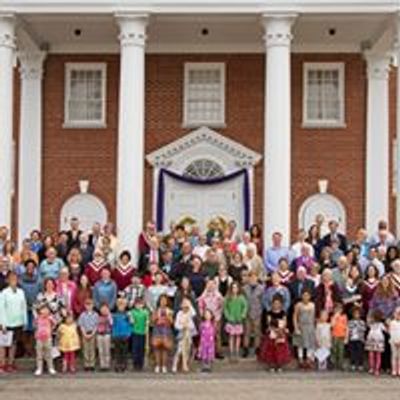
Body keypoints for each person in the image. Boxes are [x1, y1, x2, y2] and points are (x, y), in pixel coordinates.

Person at [0, 271, 28, 373]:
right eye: (11, 278)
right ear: (7, 280)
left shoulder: (21, 292)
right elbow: (1, 309)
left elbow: (23, 307)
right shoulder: (3, 293)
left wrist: (25, 321)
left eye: (15, 278)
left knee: (14, 344)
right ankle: (2, 364)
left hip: (18, 322)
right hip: (6, 323)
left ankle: (10, 364)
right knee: (3, 345)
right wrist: (2, 324)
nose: (14, 280)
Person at [258, 295, 291, 372]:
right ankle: (271, 365)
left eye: (278, 303)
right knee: (271, 350)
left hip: (281, 333)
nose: (276, 305)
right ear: (272, 304)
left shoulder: (283, 313)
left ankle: (279, 365)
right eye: (275, 303)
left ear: (281, 304)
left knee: (280, 350)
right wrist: (274, 329)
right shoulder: (269, 313)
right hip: (272, 332)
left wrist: (281, 329)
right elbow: (269, 322)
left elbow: (285, 322)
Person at [198, 280, 224, 359]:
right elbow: (200, 306)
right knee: (204, 335)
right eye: (209, 285)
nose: (210, 286)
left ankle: (218, 352)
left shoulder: (218, 295)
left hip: (216, 317)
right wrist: (202, 315)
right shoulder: (203, 295)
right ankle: (203, 352)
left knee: (217, 335)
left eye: (212, 284)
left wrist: (217, 316)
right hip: (206, 318)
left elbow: (221, 306)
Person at [223, 282, 248, 362]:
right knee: (231, 336)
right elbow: (225, 308)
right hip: (231, 320)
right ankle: (231, 352)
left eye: (236, 288)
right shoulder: (228, 297)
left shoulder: (241, 297)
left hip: (239, 320)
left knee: (238, 336)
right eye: (233, 287)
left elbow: (245, 307)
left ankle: (236, 352)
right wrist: (228, 317)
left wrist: (242, 316)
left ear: (238, 289)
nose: (234, 289)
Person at [172, 298, 197, 373]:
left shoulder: (190, 313)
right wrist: (182, 326)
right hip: (182, 333)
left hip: (188, 333)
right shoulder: (179, 313)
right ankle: (175, 365)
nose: (185, 307)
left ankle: (185, 365)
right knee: (179, 350)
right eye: (183, 305)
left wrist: (189, 304)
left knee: (187, 349)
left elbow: (193, 315)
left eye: (186, 306)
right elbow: (176, 325)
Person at [242, 270, 264, 357]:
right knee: (246, 332)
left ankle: (257, 349)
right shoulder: (244, 288)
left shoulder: (261, 288)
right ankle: (246, 349)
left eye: (254, 277)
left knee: (257, 332)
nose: (252, 279)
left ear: (257, 278)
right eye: (251, 277)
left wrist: (260, 311)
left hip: (257, 312)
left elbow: (262, 301)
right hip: (247, 312)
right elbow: (243, 301)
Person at [293, 288, 316, 369]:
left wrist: (314, 327)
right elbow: (295, 316)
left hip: (310, 326)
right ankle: (301, 359)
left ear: (310, 296)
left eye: (307, 295)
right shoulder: (298, 305)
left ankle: (309, 360)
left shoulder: (313, 305)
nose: (305, 297)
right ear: (301, 296)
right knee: (300, 344)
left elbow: (314, 317)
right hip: (301, 326)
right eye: (304, 295)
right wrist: (296, 327)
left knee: (310, 343)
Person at [152, 294, 174, 374]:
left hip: (166, 330)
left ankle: (164, 366)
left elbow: (172, 322)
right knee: (157, 348)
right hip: (157, 330)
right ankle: (157, 365)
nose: (163, 302)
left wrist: (168, 316)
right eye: (161, 300)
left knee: (165, 348)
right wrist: (157, 317)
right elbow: (152, 320)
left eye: (164, 300)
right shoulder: (156, 310)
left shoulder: (170, 310)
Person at [33, 305, 56, 376]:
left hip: (48, 338)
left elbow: (55, 324)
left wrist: (51, 330)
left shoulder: (50, 318)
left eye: (46, 310)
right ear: (40, 311)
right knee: (39, 354)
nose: (45, 311)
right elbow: (34, 325)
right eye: (43, 309)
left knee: (49, 354)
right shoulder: (38, 318)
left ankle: (51, 368)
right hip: (39, 338)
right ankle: (39, 368)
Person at [77, 298, 99, 371]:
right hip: (85, 333)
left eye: (90, 304)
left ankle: (92, 364)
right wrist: (84, 333)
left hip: (92, 333)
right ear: (85, 306)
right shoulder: (82, 315)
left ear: (93, 305)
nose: (89, 306)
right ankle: (86, 364)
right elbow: (81, 325)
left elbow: (96, 325)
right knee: (86, 349)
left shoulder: (95, 315)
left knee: (92, 348)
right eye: (87, 305)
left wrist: (92, 333)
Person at [129, 297, 150, 371]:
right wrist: (131, 318)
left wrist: (146, 329)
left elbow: (147, 322)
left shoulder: (145, 312)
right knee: (135, 348)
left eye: (140, 304)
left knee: (141, 349)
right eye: (137, 304)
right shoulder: (132, 312)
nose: (138, 305)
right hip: (135, 332)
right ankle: (135, 363)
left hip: (143, 333)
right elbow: (131, 321)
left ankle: (140, 364)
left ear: (143, 304)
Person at [112, 298, 131, 372]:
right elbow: (113, 325)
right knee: (117, 352)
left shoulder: (127, 315)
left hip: (125, 335)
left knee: (124, 351)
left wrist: (128, 334)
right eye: (120, 305)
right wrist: (113, 334)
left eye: (123, 305)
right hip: (117, 335)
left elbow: (130, 325)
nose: (121, 306)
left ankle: (124, 365)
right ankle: (117, 364)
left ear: (125, 306)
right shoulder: (115, 315)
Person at [365, 310, 386, 376]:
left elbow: (386, 330)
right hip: (371, 340)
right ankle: (372, 368)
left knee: (377, 355)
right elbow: (367, 320)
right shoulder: (370, 324)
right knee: (371, 354)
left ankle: (376, 369)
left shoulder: (381, 324)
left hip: (378, 341)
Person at [347, 307, 366, 371]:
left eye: (358, 314)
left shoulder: (362, 322)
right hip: (352, 339)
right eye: (355, 314)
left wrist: (358, 326)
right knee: (352, 353)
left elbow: (364, 329)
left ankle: (360, 364)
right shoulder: (350, 322)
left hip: (360, 339)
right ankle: (353, 364)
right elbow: (348, 329)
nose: (356, 315)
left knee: (360, 353)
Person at [330, 302, 348, 371]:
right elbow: (332, 325)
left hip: (342, 335)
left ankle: (341, 364)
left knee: (341, 350)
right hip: (335, 335)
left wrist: (346, 337)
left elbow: (346, 327)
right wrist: (335, 317)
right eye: (336, 309)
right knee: (334, 350)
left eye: (340, 309)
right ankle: (334, 363)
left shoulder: (344, 317)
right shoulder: (333, 317)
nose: (338, 310)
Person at [96, 303, 113, 371]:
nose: (104, 310)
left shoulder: (109, 316)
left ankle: (107, 364)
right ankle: (102, 365)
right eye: (102, 309)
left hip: (107, 334)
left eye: (105, 309)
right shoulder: (98, 316)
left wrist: (108, 315)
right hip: (99, 334)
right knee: (101, 350)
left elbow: (111, 323)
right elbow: (96, 325)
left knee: (107, 350)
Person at [389, 306, 400, 376]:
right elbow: (391, 332)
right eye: (398, 314)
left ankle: (399, 370)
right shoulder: (392, 323)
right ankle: (393, 370)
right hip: (393, 342)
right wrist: (395, 341)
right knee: (394, 356)